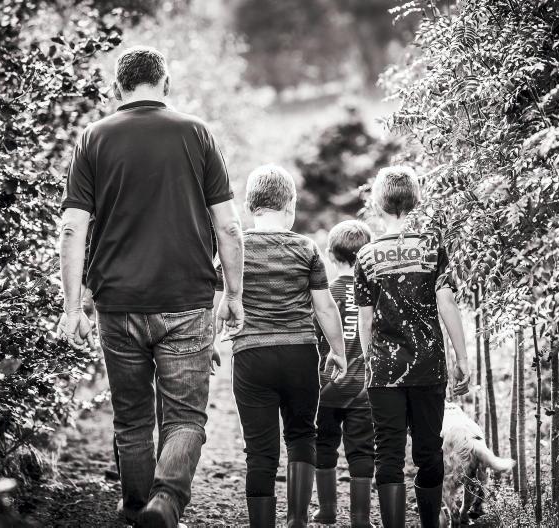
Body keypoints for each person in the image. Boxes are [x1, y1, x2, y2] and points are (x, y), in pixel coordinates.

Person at [57, 46, 244, 528]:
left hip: (118, 304)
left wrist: (73, 307)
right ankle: (165, 502)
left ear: (117, 87)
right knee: (185, 418)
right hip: (186, 301)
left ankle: (137, 506)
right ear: (166, 83)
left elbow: (73, 228)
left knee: (132, 418)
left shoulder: (93, 138)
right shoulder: (196, 133)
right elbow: (229, 226)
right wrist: (233, 295)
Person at [216, 164, 347, 528]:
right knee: (302, 435)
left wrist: (208, 342)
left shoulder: (234, 248)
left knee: (259, 451)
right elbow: (325, 307)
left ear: (249, 206)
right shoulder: (306, 248)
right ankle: (297, 521)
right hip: (299, 355)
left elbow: (217, 302)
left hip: (251, 357)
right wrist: (338, 351)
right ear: (290, 204)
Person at [354, 166, 470, 528]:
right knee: (428, 452)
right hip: (428, 367)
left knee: (387, 453)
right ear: (416, 201)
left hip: (384, 372)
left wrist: (370, 362)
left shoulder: (366, 256)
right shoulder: (433, 247)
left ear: (377, 203)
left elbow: (365, 321)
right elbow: (447, 303)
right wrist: (462, 358)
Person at [312, 220, 376, 527]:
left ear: (330, 255)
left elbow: (314, 337)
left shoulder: (325, 294)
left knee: (324, 445)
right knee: (362, 450)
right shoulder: (373, 294)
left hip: (327, 386)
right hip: (363, 388)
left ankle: (326, 511)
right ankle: (360, 518)